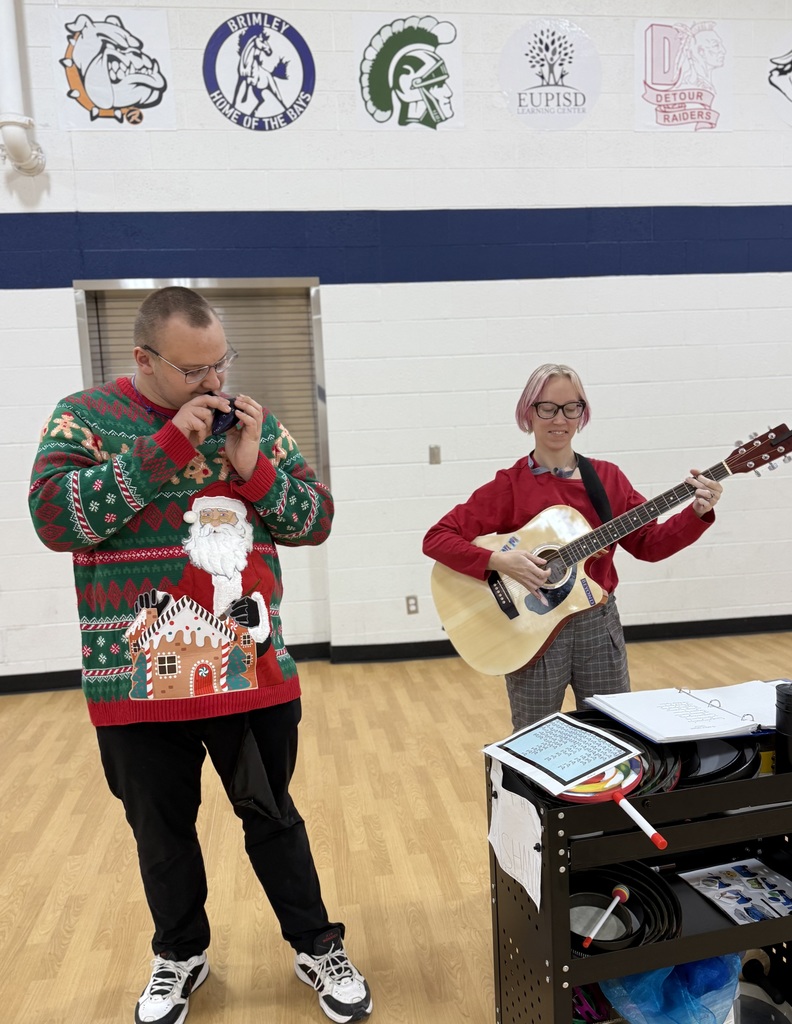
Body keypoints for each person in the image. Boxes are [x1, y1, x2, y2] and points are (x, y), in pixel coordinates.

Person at [28, 286, 372, 1024]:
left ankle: (317, 944)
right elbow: (57, 519)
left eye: (221, 363)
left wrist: (253, 468)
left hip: (249, 676)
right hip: (136, 684)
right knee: (162, 834)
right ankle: (180, 954)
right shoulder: (83, 417)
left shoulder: (250, 423)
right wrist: (168, 447)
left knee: (273, 817)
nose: (214, 383)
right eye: (193, 371)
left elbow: (315, 520)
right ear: (143, 359)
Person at [423, 363, 723, 730]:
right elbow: (436, 538)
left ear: (582, 414)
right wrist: (500, 561)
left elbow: (648, 545)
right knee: (535, 741)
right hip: (530, 634)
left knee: (613, 735)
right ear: (528, 413)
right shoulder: (509, 486)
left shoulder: (608, 478)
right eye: (547, 408)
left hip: (597, 627)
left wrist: (696, 513)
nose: (559, 419)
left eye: (571, 408)